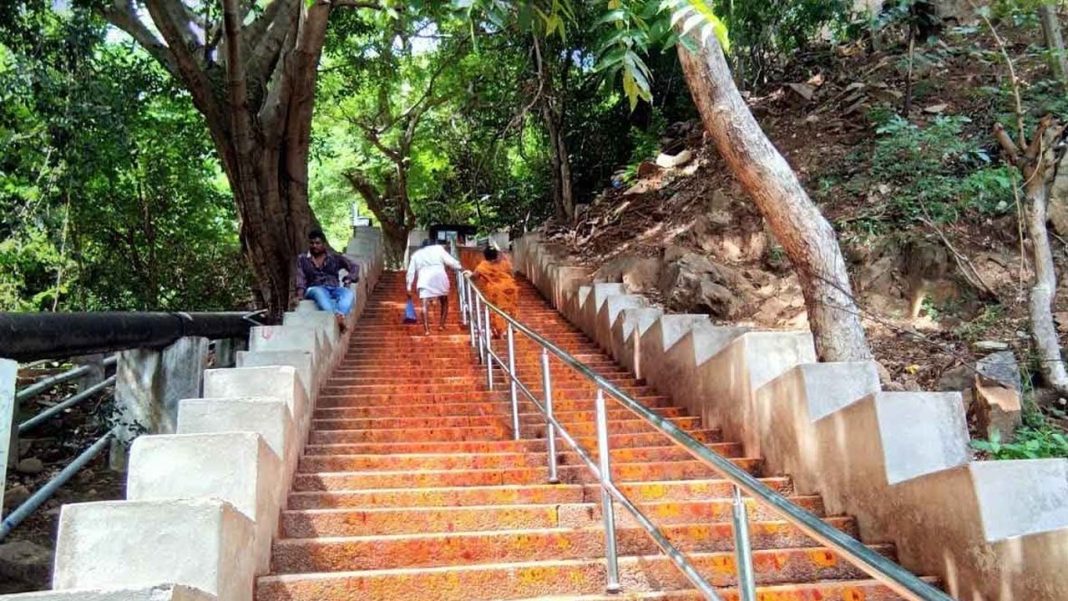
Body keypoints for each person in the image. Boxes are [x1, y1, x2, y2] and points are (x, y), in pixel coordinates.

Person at [295, 229, 359, 332]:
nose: (314, 246)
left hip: (334, 288)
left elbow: (354, 266)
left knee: (348, 294)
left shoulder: (334, 257)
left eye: (317, 243)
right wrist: (300, 294)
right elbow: (300, 277)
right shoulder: (303, 259)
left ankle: (339, 315)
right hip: (314, 288)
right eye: (312, 243)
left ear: (323, 244)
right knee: (319, 292)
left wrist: (349, 278)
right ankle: (336, 317)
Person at [406, 239, 466, 335]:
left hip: (424, 278)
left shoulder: (416, 255)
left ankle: (427, 330)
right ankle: (441, 325)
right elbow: (450, 261)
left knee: (424, 304)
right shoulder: (438, 249)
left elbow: (411, 272)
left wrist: (409, 287)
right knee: (444, 301)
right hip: (440, 276)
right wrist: (461, 268)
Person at [471, 246, 518, 338]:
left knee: (497, 310)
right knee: (511, 307)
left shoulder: (483, 265)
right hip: (510, 288)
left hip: (496, 290)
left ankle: (502, 330)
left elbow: (474, 276)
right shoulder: (504, 263)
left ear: (485, 256)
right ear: (496, 255)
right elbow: (512, 274)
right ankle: (513, 325)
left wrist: (467, 274)